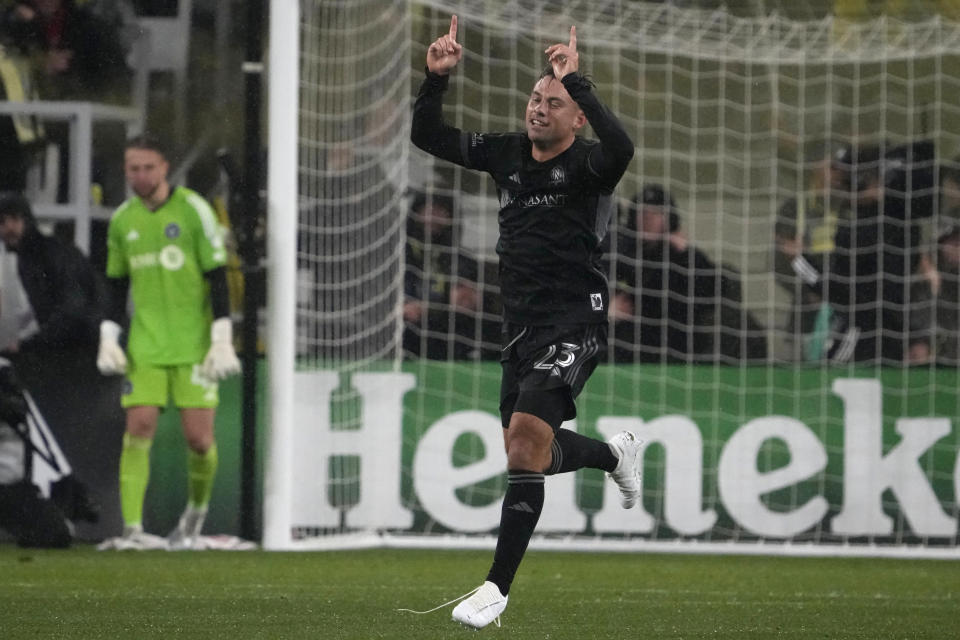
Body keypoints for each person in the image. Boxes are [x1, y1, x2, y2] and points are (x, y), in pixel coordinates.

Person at [411, 17, 639, 629]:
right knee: (526, 452)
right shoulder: (505, 151)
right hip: (520, 326)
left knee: (524, 442)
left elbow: (625, 149)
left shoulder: (593, 164)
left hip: (577, 320)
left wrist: (579, 80)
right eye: (536, 98)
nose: (540, 109)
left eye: (554, 102)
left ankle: (495, 589)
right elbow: (427, 135)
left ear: (576, 117)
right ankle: (612, 456)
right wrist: (436, 78)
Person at [96, 133, 240, 550]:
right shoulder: (124, 220)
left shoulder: (194, 210)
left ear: (164, 168)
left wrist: (221, 336)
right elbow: (115, 284)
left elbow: (216, 276)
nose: (139, 176)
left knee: (199, 439)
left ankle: (193, 522)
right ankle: (133, 530)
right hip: (145, 345)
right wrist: (109, 335)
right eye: (132, 169)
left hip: (194, 344)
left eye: (147, 168)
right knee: (138, 427)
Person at [610, 185, 721, 363]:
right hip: (626, 336)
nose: (648, 219)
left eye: (656, 213)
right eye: (643, 212)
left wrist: (686, 252)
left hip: (676, 338)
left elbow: (714, 292)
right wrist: (606, 309)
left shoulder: (681, 255)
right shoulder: (618, 252)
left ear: (668, 218)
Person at [403, 190, 498, 360]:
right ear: (416, 213)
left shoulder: (463, 261)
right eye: (428, 210)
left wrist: (469, 298)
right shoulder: (398, 256)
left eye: (440, 211)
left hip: (448, 330)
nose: (433, 218)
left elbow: (472, 302)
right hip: (406, 328)